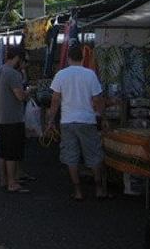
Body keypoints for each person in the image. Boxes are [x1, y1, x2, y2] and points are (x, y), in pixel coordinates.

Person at [47, 43, 110, 201]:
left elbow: (55, 99)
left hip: (67, 120)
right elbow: (97, 99)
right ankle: (99, 189)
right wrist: (103, 117)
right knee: (94, 155)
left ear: (68, 58)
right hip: (87, 120)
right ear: (83, 58)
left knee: (71, 156)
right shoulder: (90, 74)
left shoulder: (61, 75)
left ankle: (78, 191)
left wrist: (50, 120)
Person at [0, 46, 32, 193]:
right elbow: (20, 96)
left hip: (2, 116)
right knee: (12, 152)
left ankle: (4, 179)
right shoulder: (13, 74)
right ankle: (12, 183)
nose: (24, 64)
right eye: (23, 60)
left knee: (3, 151)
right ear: (17, 58)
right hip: (13, 118)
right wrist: (28, 91)